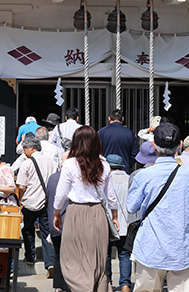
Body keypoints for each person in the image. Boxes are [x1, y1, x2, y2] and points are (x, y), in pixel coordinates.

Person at [126, 123, 189, 292]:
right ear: (180, 145)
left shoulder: (143, 176)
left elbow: (131, 207)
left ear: (153, 146)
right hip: (182, 247)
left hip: (149, 247)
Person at [53, 125, 119, 292]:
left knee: (71, 258)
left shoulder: (69, 164)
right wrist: (115, 217)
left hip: (76, 212)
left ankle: (82, 288)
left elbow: (60, 194)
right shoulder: (104, 165)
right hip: (98, 214)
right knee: (97, 260)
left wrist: (56, 213)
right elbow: (111, 196)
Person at [16, 136, 58, 276]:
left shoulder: (27, 164)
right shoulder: (52, 163)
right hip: (47, 203)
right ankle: (50, 263)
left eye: (25, 149)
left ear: (31, 148)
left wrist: (24, 194)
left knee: (28, 230)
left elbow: (21, 186)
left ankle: (30, 257)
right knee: (47, 233)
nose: (24, 152)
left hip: (30, 202)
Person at [105, 154, 134, 292]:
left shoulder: (104, 180)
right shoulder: (130, 179)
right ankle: (125, 284)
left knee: (106, 255)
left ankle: (108, 283)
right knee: (124, 254)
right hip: (125, 224)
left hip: (108, 224)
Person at [47, 150, 70, 292]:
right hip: (70, 222)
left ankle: (58, 286)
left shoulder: (53, 178)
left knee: (58, 255)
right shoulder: (76, 177)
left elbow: (49, 199)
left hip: (54, 221)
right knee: (71, 256)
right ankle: (68, 285)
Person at [98, 109, 139, 174]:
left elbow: (96, 150)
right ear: (122, 119)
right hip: (124, 169)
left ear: (109, 118)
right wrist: (127, 164)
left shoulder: (102, 132)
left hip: (106, 169)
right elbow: (134, 153)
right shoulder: (130, 133)